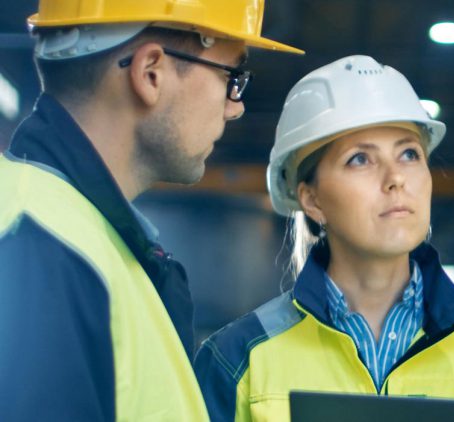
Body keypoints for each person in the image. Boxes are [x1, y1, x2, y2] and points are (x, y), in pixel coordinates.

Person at [0, 1, 302, 420]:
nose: (236, 107)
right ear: (151, 73)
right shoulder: (42, 253)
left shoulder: (86, 242)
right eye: (232, 76)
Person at [193, 55, 454, 422]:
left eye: (409, 154)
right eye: (360, 159)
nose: (396, 179)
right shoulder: (237, 360)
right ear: (312, 199)